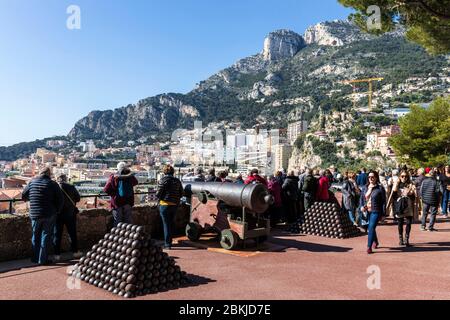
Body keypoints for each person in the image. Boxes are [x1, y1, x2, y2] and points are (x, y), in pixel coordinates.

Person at [22, 167, 64, 265]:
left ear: (40, 173)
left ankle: (35, 258)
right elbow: (61, 200)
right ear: (49, 174)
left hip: (35, 213)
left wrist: (33, 199)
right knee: (46, 235)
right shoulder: (53, 184)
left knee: (35, 235)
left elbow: (24, 195)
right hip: (49, 213)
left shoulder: (32, 182)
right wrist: (57, 210)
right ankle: (43, 259)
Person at [53, 174, 82, 261]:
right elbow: (78, 198)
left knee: (57, 234)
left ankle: (57, 254)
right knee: (72, 233)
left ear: (57, 179)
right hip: (70, 214)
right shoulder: (71, 187)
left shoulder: (55, 188)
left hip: (58, 214)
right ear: (66, 179)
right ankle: (75, 252)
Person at [156, 165, 184, 249]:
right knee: (171, 223)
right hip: (174, 205)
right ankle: (169, 241)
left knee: (166, 224)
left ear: (164, 172)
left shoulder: (163, 180)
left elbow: (158, 194)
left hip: (164, 204)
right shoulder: (177, 181)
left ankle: (167, 244)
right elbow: (181, 193)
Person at [104, 162, 139, 227]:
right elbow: (135, 182)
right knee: (128, 220)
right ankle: (129, 235)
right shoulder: (130, 176)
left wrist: (114, 194)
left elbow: (106, 189)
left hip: (117, 202)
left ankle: (117, 235)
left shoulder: (114, 177)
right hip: (128, 200)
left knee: (117, 221)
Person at [359, 171, 386, 254]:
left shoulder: (380, 188)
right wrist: (361, 206)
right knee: (369, 227)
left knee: (371, 227)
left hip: (376, 211)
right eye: (369, 177)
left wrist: (384, 214)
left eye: (372, 177)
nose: (370, 178)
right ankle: (375, 241)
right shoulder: (365, 187)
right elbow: (361, 199)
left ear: (376, 178)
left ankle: (369, 247)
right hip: (366, 211)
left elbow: (384, 202)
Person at [389, 170, 416, 246]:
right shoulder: (396, 184)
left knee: (408, 223)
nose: (404, 178)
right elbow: (393, 196)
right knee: (400, 223)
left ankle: (406, 239)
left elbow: (414, 197)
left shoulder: (411, 184)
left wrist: (411, 193)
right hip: (400, 206)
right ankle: (400, 239)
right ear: (399, 177)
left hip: (408, 205)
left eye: (406, 176)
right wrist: (396, 187)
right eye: (402, 176)